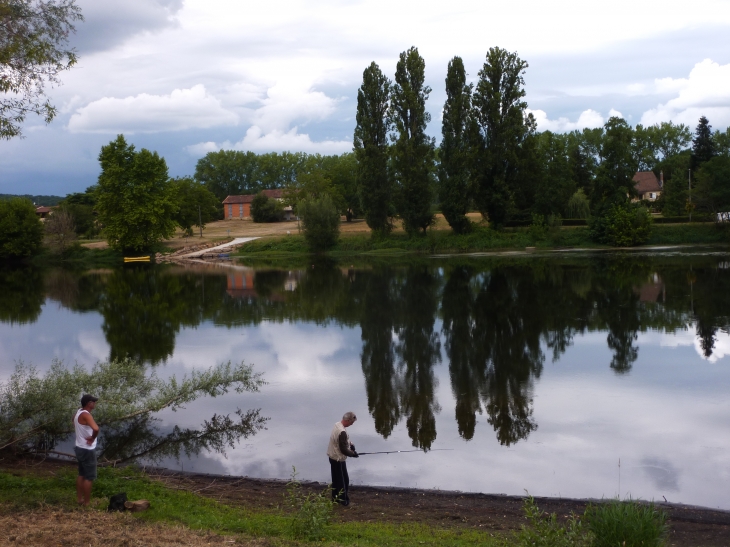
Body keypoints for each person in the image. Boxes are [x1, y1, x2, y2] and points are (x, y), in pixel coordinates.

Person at [326, 411, 358, 506]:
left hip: (332, 456)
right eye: (351, 422)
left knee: (336, 480)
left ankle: (335, 498)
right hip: (338, 458)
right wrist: (352, 454)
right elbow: (343, 449)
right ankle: (343, 501)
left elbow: (343, 440)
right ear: (348, 420)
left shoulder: (337, 425)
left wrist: (351, 444)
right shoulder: (342, 431)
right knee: (343, 481)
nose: (352, 424)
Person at [74, 394, 99, 506]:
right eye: (93, 401)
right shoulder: (86, 415)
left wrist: (82, 432)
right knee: (89, 477)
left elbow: (74, 422)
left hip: (79, 447)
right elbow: (96, 428)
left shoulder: (78, 412)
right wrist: (92, 437)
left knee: (81, 474)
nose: (95, 403)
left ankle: (79, 499)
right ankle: (87, 503)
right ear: (89, 403)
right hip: (87, 449)